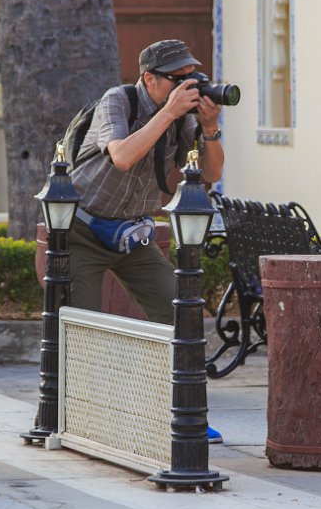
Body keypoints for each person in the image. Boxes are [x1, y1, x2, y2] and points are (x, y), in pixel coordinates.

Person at [67, 38, 225, 442]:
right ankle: (76, 418)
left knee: (182, 314)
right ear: (149, 79)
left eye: (193, 78)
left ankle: (186, 414)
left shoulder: (181, 116)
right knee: (83, 329)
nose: (188, 87)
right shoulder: (118, 101)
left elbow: (210, 175)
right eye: (178, 79)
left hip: (132, 233)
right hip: (81, 230)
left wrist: (209, 129)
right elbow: (122, 155)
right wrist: (167, 113)